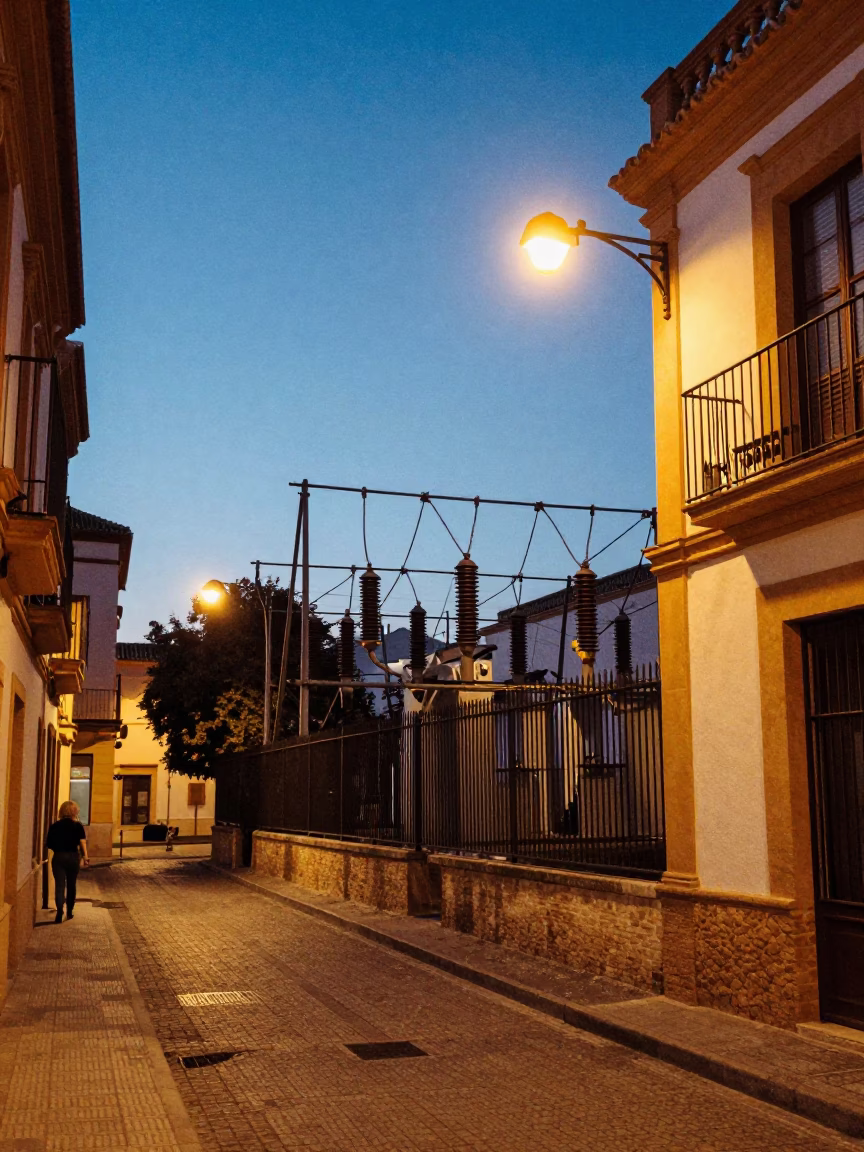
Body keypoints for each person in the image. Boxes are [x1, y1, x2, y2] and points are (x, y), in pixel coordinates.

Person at [45, 801, 88, 922]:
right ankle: (69, 911)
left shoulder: (55, 826)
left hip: (59, 857)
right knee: (71, 884)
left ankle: (59, 911)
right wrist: (85, 856)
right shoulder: (77, 826)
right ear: (74, 812)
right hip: (73, 857)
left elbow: (49, 844)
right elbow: (82, 842)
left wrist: (58, 848)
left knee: (59, 885)